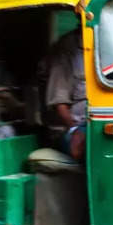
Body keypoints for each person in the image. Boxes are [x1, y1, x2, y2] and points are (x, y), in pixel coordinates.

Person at [44, 26, 87, 160]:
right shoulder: (67, 49)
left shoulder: (106, 45)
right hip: (71, 127)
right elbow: (60, 105)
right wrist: (75, 130)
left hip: (96, 123)